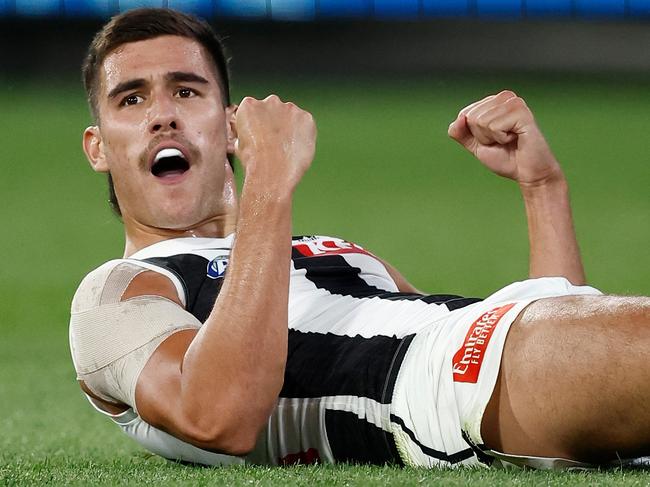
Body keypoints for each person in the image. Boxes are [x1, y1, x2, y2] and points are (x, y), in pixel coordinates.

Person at [69, 8, 650, 469]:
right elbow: (219, 417)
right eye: (133, 98)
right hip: (422, 388)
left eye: (187, 91)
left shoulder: (326, 250)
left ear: (227, 125)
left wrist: (542, 189)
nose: (162, 115)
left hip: (475, 351)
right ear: (98, 147)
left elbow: (549, 344)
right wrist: (268, 181)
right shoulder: (119, 293)